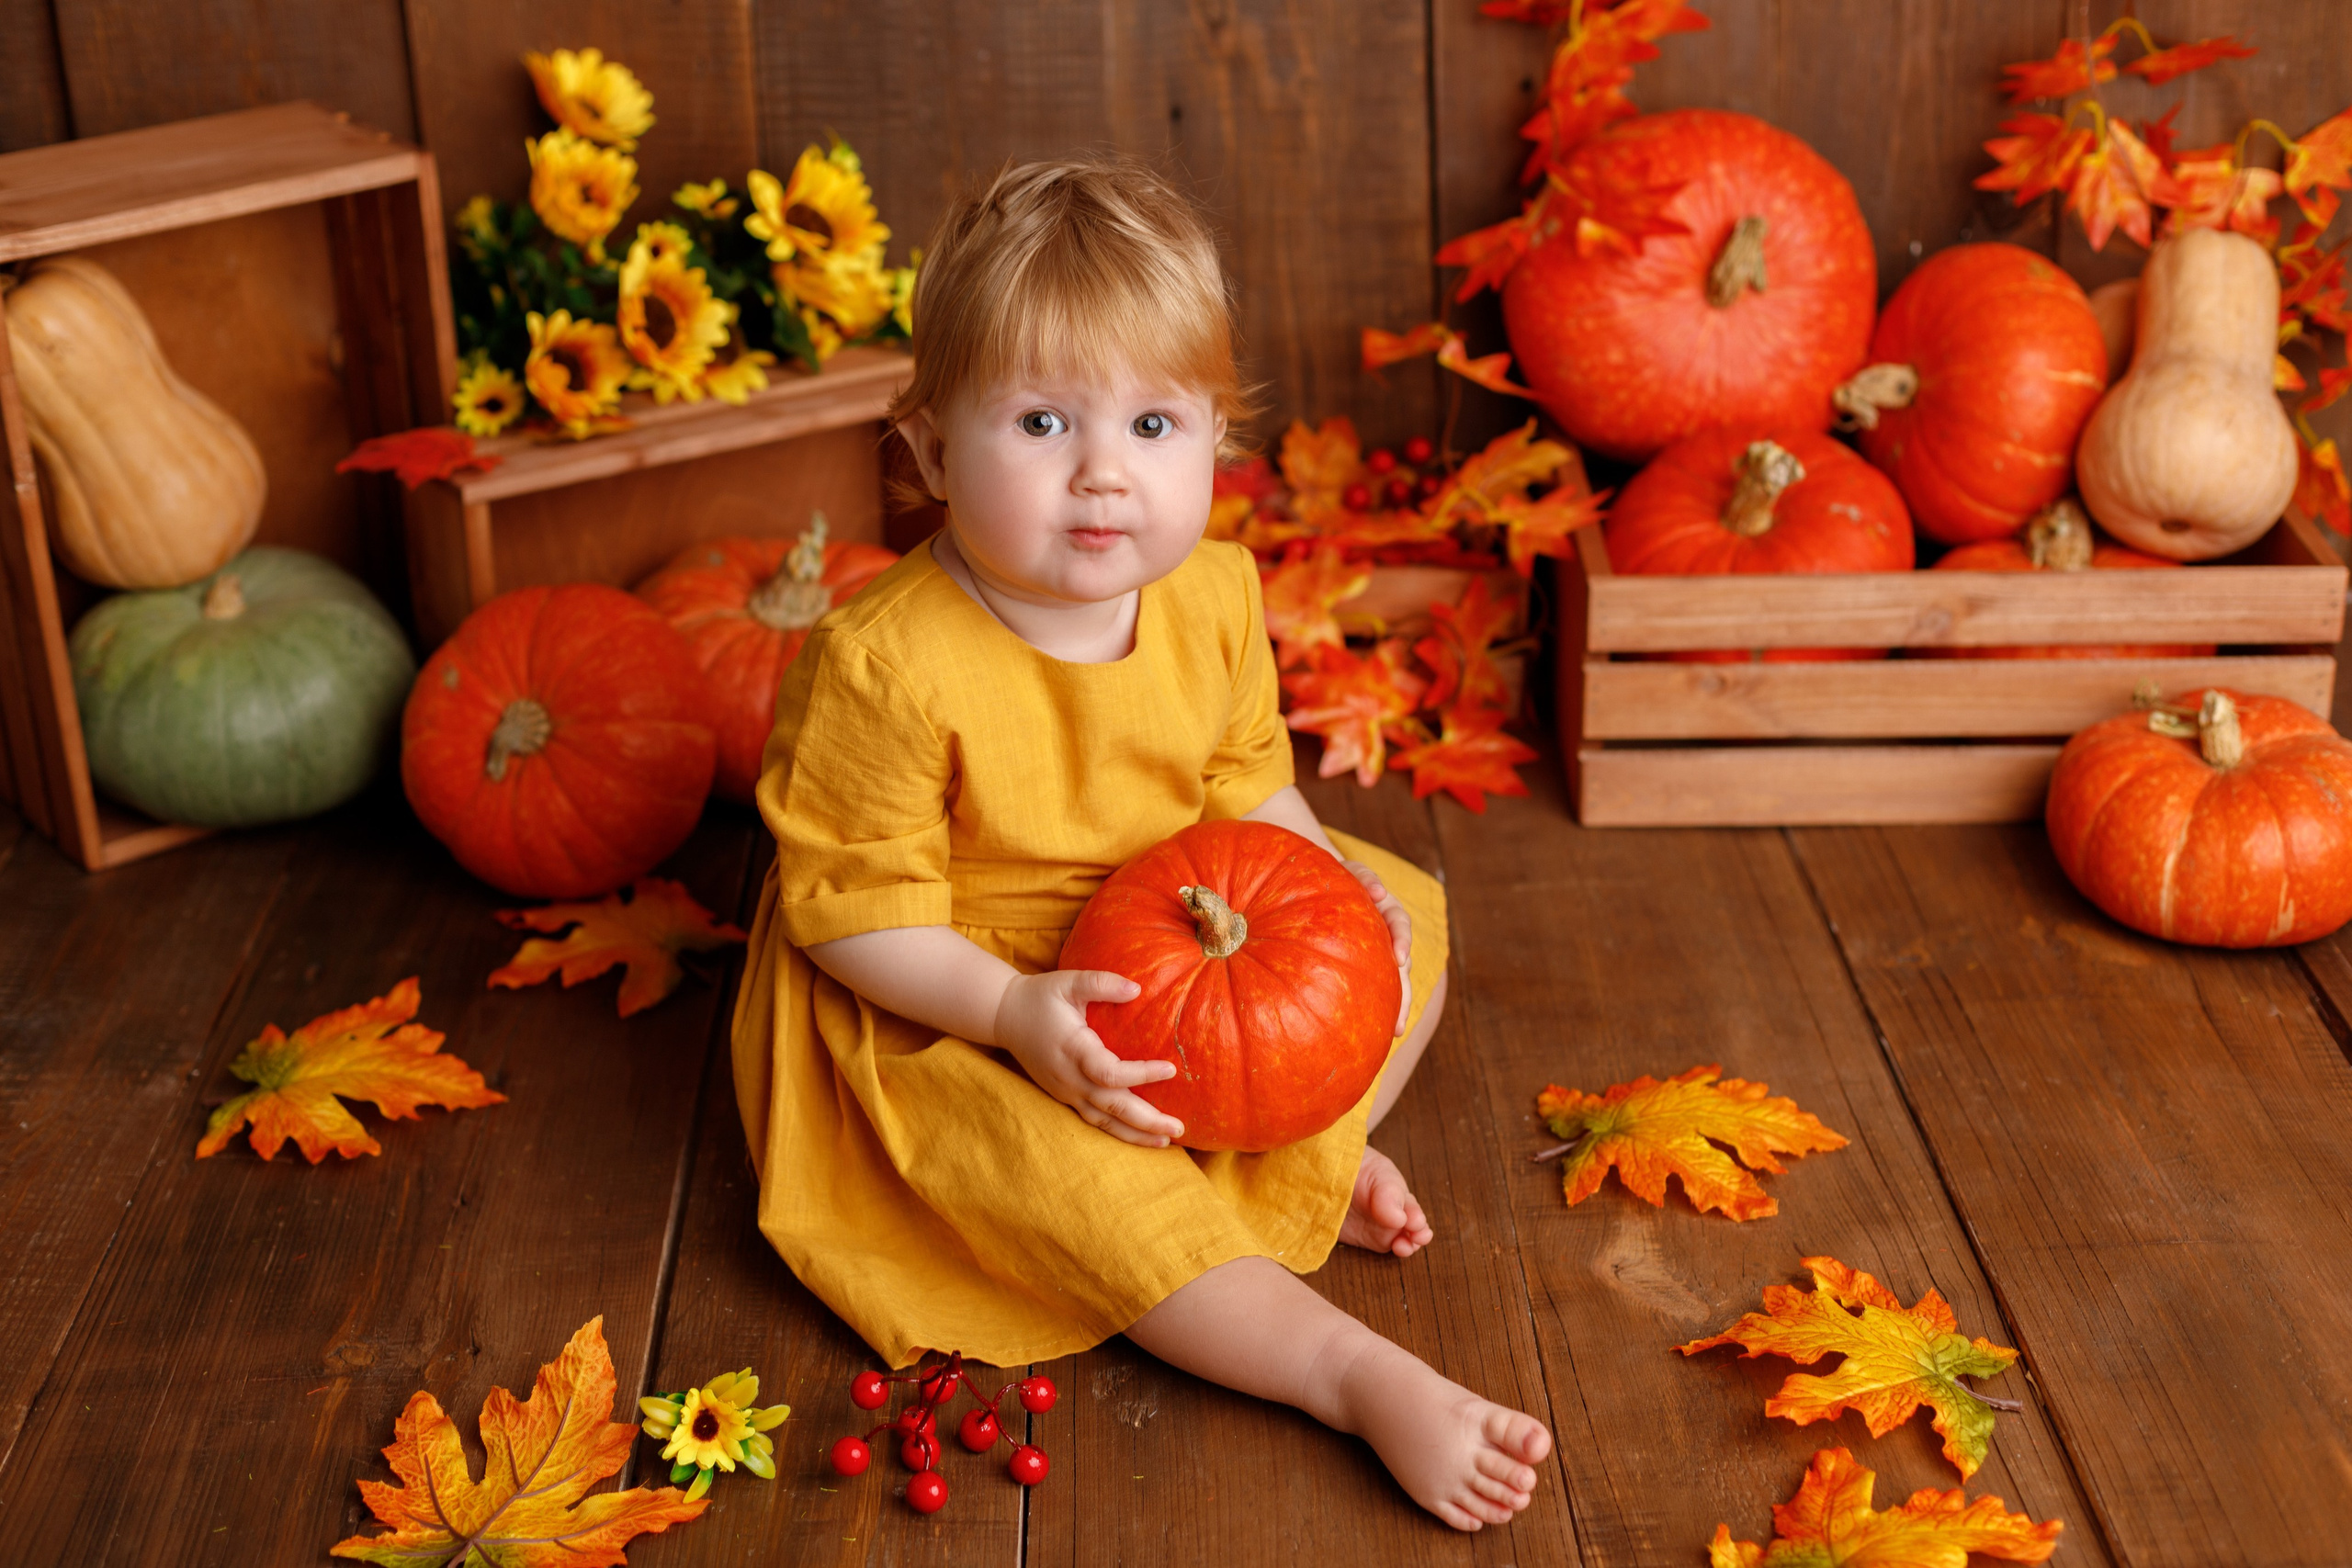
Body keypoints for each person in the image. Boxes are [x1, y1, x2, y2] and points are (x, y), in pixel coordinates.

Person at [730, 155, 1550, 1530]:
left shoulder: (1214, 598)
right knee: (1055, 1170)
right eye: (1044, 421)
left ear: (1217, 438)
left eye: (1157, 426)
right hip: (957, 983)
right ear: (929, 451)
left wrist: (1334, 889)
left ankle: (1294, 1150)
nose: (1107, 474)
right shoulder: (883, 666)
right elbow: (849, 910)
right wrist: (1012, 1012)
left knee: (1404, 921)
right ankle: (1341, 1369)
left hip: (1183, 935)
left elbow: (1248, 792)